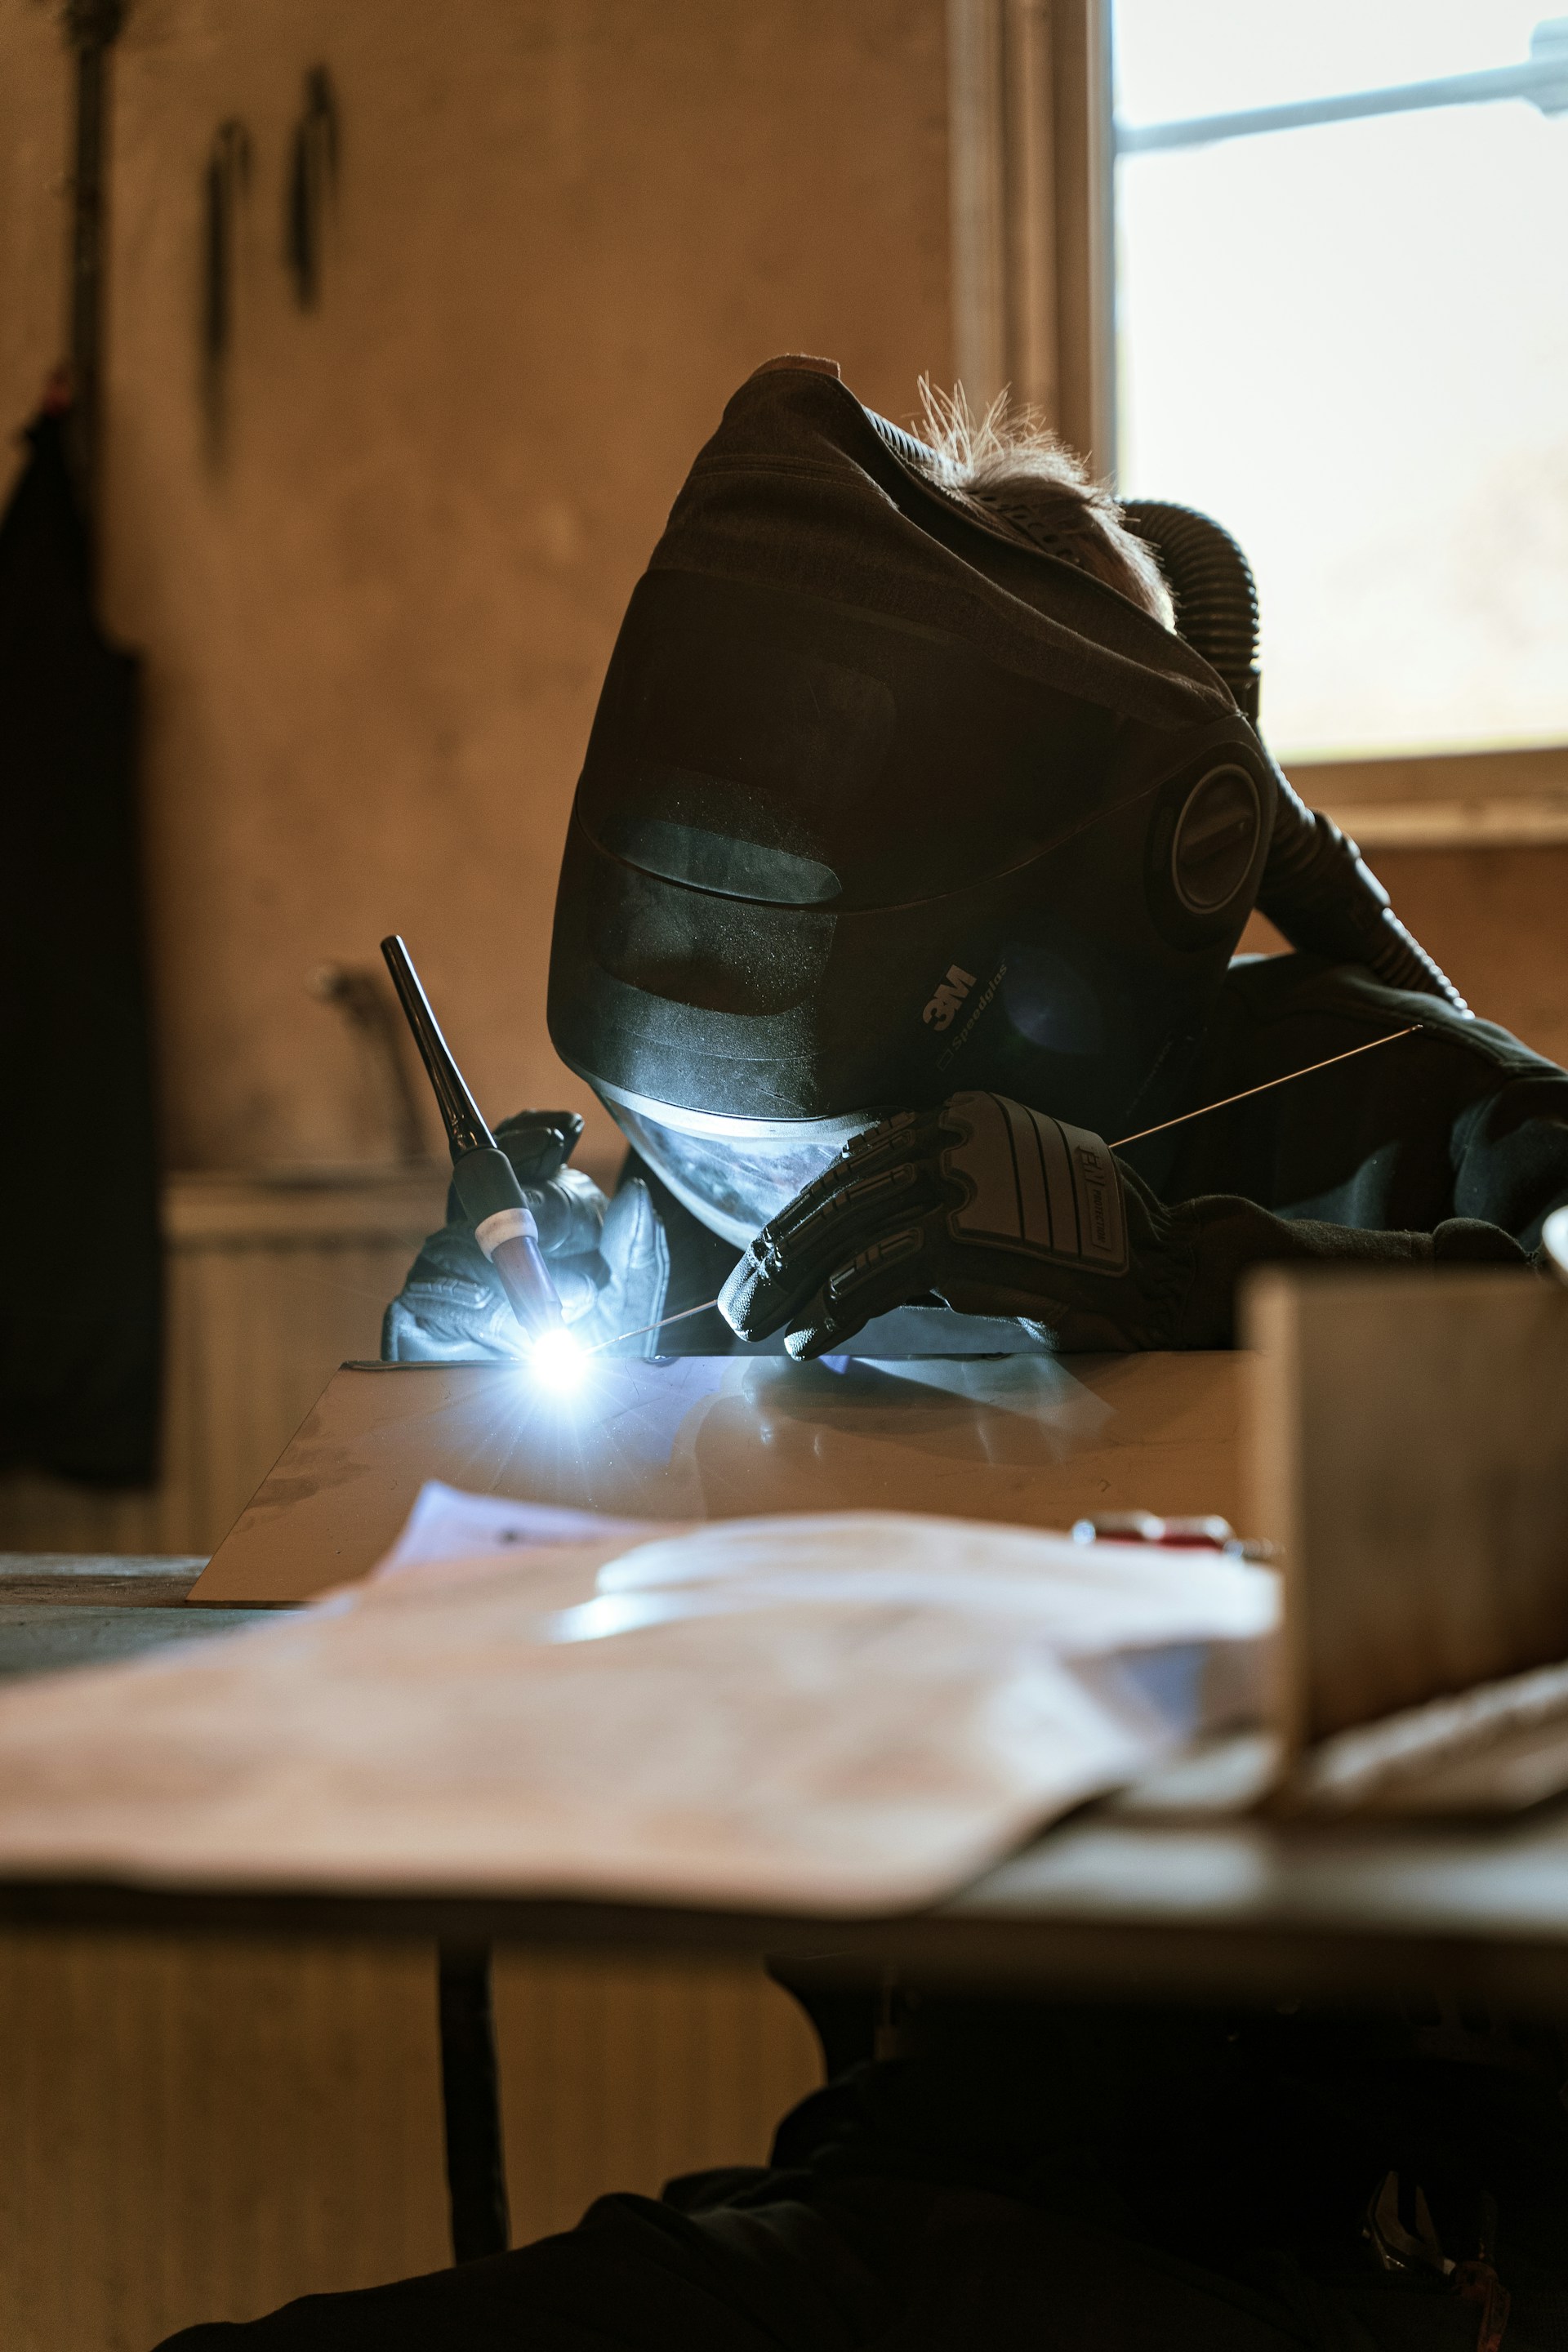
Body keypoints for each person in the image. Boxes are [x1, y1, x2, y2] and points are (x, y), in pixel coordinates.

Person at [158, 359, 1568, 2349]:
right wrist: (461, 1371)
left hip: (1370, 2246)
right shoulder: (758, 1193)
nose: (744, 1199)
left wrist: (1186, 1281)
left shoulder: (1389, 1099)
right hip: (920, 2186)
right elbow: (486, 1586)